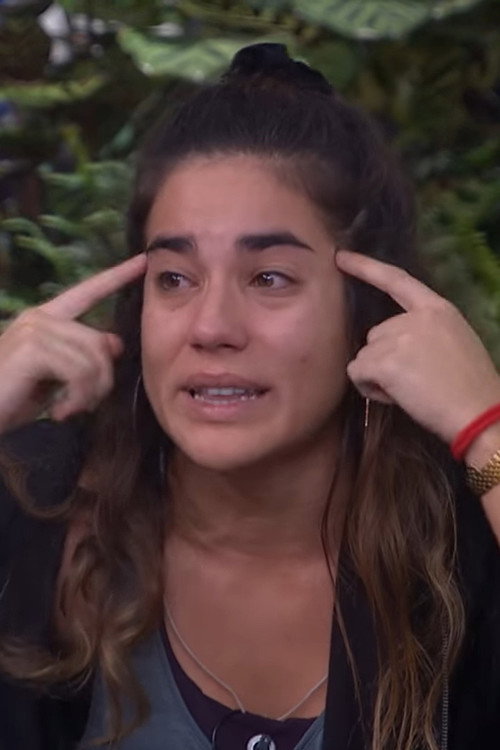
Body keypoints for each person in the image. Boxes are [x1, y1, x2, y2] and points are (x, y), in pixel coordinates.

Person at [0, 42, 499, 750]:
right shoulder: (40, 504)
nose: (210, 327)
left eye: (269, 278)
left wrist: (486, 428)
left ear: (366, 306)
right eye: (175, 278)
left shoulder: (458, 538)